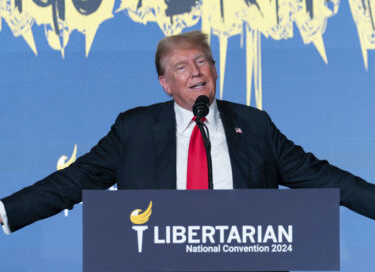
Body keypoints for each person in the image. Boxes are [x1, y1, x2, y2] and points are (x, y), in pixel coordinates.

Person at [1, 30, 375, 234]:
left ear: (214, 70)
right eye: (182, 66)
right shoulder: (134, 129)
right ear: (165, 83)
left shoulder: (255, 126)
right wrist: (4, 212)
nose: (195, 72)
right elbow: (73, 181)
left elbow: (322, 176)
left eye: (202, 61)